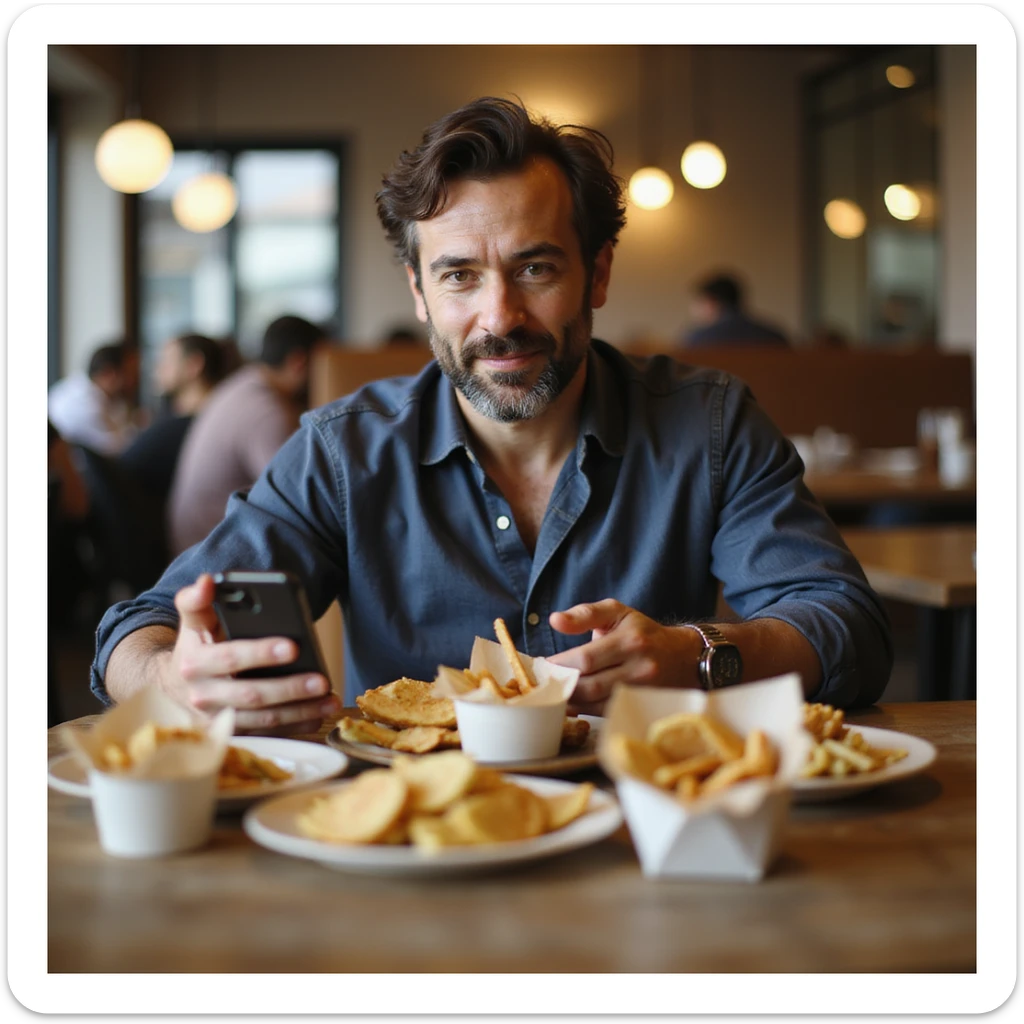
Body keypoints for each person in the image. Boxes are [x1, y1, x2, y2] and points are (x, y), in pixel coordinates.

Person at [92, 96, 892, 737]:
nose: (500, 316)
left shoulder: (709, 424)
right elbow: (138, 628)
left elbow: (848, 626)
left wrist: (701, 653)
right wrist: (170, 677)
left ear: (597, 272)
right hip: (413, 844)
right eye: (460, 276)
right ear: (420, 293)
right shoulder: (345, 453)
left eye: (535, 267)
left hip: (642, 840)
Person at [165, 314, 325, 556]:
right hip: (211, 559)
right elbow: (298, 502)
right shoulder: (266, 411)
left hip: (196, 547)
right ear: (299, 362)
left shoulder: (242, 385)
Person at [119, 333, 226, 505]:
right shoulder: (173, 418)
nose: (158, 368)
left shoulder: (197, 425)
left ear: (194, 365)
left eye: (166, 361)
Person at [47, 341, 141, 455]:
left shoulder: (92, 392)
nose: (137, 380)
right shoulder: (84, 405)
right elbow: (119, 450)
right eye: (132, 373)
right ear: (109, 373)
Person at [682, 273, 789, 348]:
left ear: (711, 302)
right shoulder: (776, 337)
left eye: (698, 302)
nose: (694, 309)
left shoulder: (697, 340)